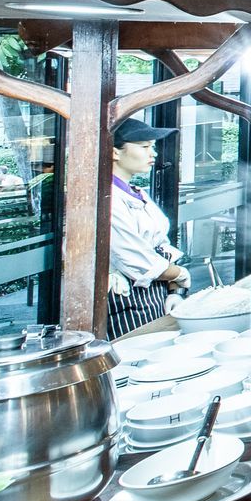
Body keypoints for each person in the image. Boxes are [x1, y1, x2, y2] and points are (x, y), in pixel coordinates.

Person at [106, 118, 189, 338]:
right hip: (128, 300)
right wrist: (180, 273)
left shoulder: (136, 192)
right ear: (115, 152)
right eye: (145, 147)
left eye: (152, 147)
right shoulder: (107, 199)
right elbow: (135, 261)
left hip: (157, 293)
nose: (153, 154)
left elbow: (163, 245)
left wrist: (175, 289)